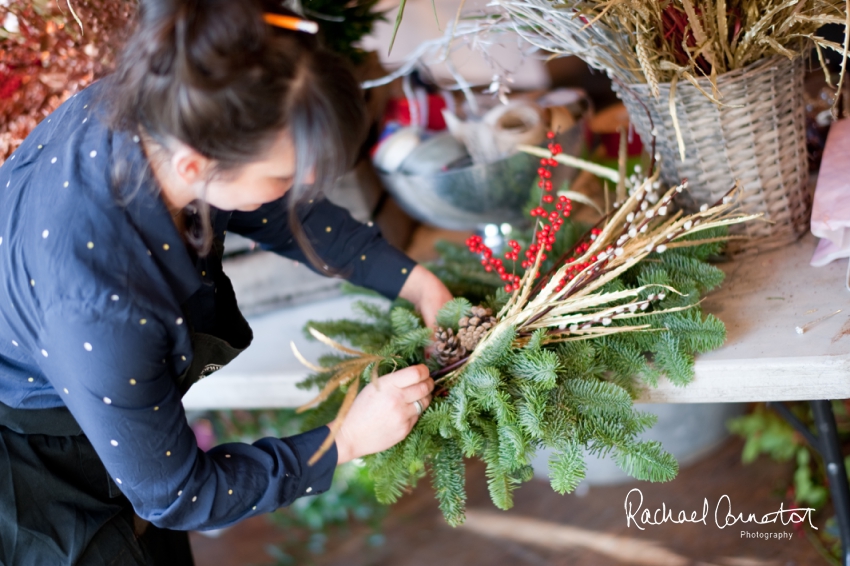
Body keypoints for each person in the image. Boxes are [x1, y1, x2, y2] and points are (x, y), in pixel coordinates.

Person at [0, 0, 453, 564]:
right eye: (283, 175)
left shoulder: (174, 107)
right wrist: (347, 439)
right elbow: (179, 494)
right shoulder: (103, 302)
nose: (300, 186)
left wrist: (418, 285)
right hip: (35, 462)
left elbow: (287, 213)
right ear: (194, 165)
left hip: (99, 384)